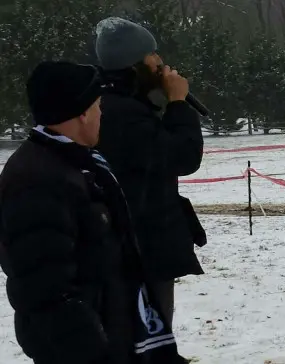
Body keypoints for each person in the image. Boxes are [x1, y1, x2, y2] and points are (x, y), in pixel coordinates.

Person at [0, 61, 188, 364]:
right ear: (83, 112)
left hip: (117, 333)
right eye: (98, 105)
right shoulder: (37, 181)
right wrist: (95, 352)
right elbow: (48, 294)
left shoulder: (80, 162)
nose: (102, 113)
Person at [93, 17, 207, 328]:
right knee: (146, 337)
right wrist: (178, 103)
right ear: (136, 64)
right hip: (138, 250)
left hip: (134, 247)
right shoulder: (123, 115)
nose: (161, 62)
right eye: (153, 55)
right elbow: (182, 157)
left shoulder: (119, 104)